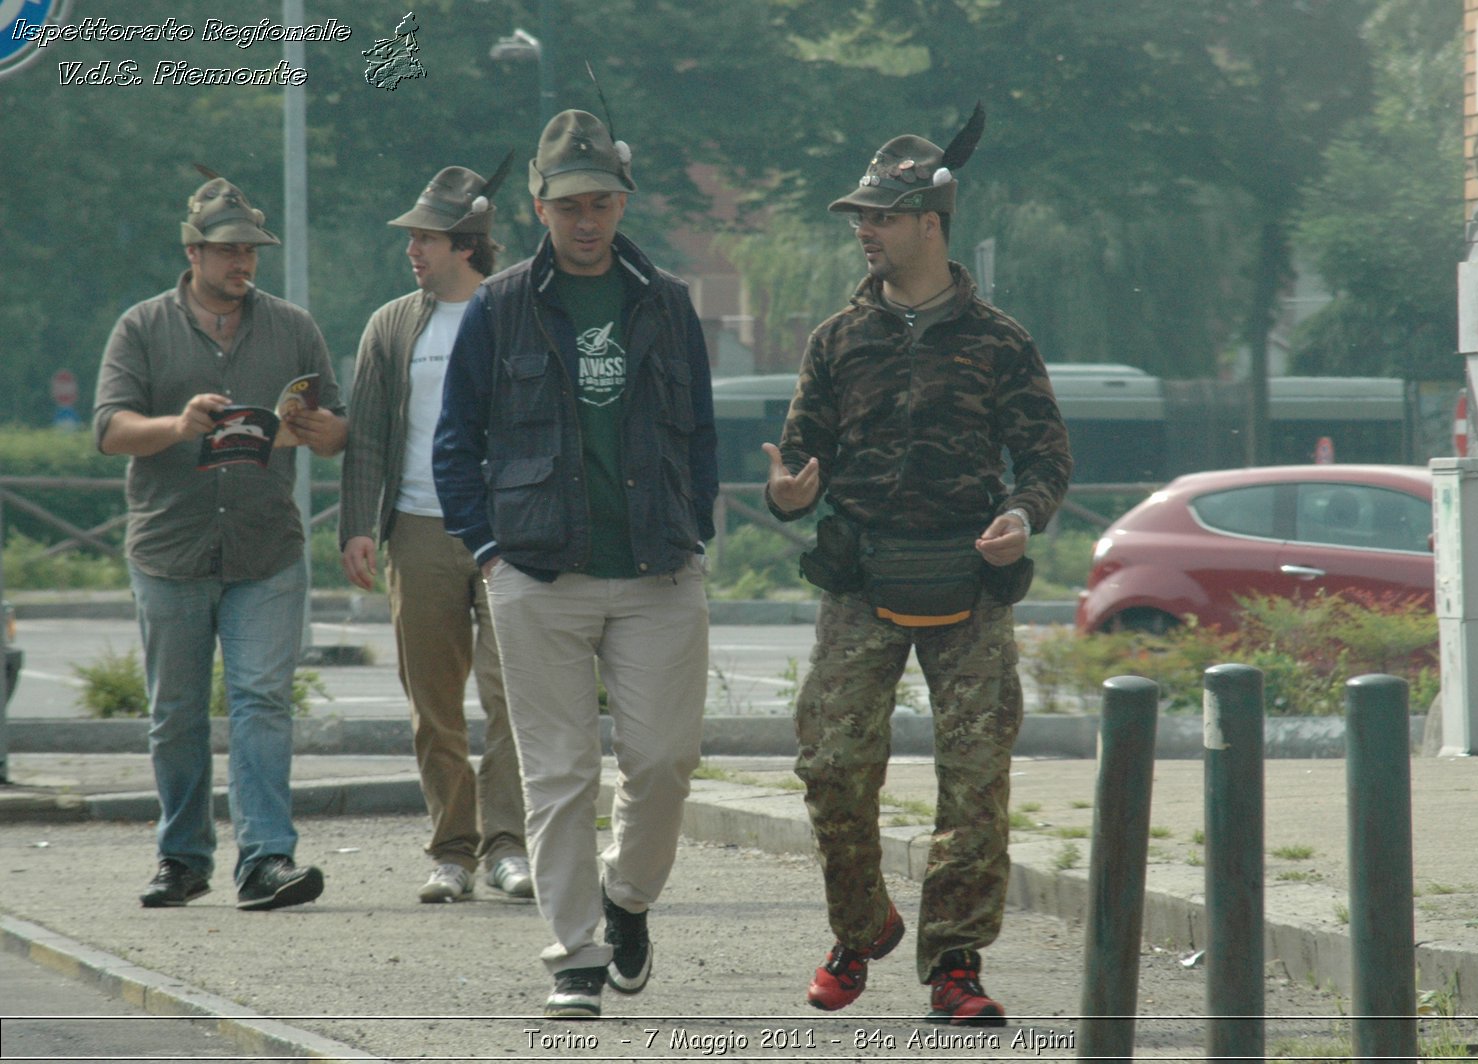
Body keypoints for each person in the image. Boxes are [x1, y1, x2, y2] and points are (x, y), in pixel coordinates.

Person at [763, 105, 1073, 1027]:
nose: (864, 230)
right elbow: (795, 455)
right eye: (861, 216)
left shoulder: (999, 341)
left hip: (968, 583)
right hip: (862, 581)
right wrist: (788, 491)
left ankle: (955, 961)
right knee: (831, 766)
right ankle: (860, 929)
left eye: (881, 217)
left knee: (975, 780)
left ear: (930, 225)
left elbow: (1046, 456)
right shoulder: (837, 340)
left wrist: (1022, 514)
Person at [434, 109, 718, 1019]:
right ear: (538, 207)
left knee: (665, 762)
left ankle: (626, 899)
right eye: (568, 206)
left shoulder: (668, 301)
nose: (586, 221)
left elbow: (703, 433)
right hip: (537, 574)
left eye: (600, 203)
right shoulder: (499, 304)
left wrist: (693, 531)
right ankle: (575, 956)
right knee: (559, 772)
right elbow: (454, 444)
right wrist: (489, 554)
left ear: (623, 202)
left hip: (657, 571)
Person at [94, 170, 348, 911]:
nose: (244, 263)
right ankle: (183, 856)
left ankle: (268, 859)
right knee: (174, 712)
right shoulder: (142, 327)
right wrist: (177, 425)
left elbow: (333, 432)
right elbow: (109, 430)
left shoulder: (294, 327)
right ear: (194, 251)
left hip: (266, 549)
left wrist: (318, 429)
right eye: (230, 250)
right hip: (171, 549)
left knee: (262, 700)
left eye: (252, 251)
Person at [339, 160, 533, 905]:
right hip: (416, 530)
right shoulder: (392, 324)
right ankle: (452, 848)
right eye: (412, 239)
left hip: (510, 532)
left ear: (467, 244)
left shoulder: (519, 311)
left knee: (514, 695)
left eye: (426, 238)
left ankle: (508, 845)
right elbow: (368, 438)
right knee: (433, 701)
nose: (412, 251)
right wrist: (360, 525)